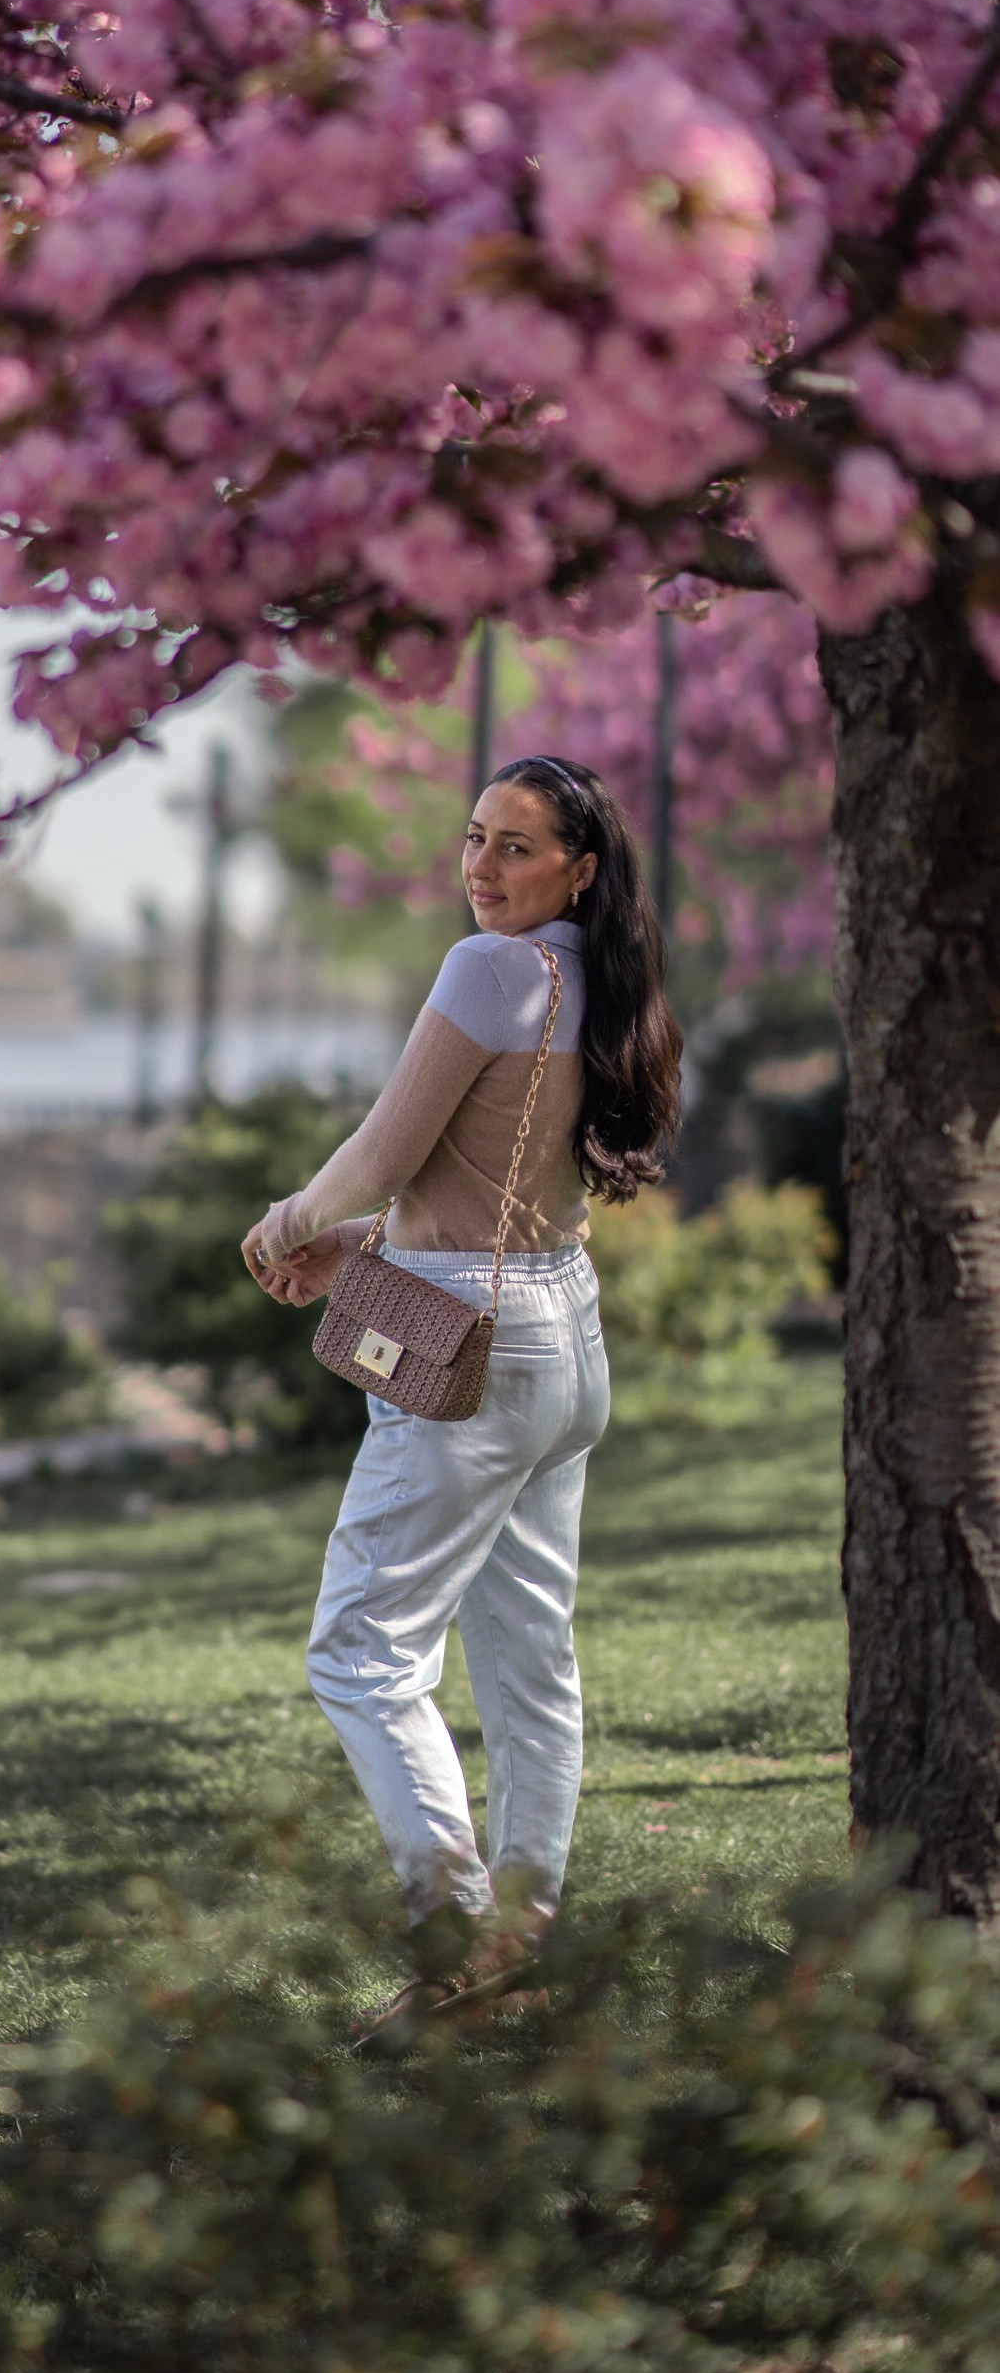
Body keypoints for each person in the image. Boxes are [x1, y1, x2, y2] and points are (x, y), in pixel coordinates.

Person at [242, 755, 683, 2040]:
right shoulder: (601, 979)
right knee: (528, 1660)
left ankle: (457, 1941)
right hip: (562, 1335)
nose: (481, 868)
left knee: (362, 1651)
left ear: (578, 870)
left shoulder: (487, 969)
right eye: (474, 838)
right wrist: (360, 1233)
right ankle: (523, 1936)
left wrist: (288, 1222)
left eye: (517, 848)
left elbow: (385, 1142)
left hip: (472, 1359)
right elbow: (481, 1168)